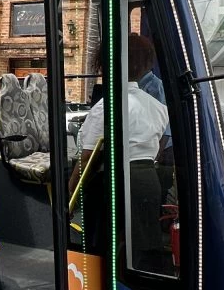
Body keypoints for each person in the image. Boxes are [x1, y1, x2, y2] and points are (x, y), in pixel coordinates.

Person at [69, 34, 169, 272]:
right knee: (142, 247)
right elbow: (160, 144)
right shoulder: (158, 107)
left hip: (116, 182)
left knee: (107, 245)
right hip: (149, 181)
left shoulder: (106, 106)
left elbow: (86, 160)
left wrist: (70, 194)